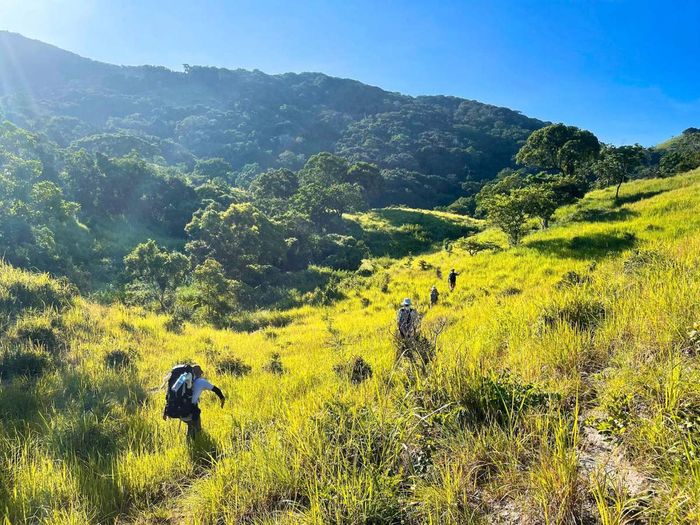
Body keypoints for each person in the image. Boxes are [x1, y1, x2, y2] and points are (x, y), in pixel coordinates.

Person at [163, 364, 225, 439]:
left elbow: (170, 394)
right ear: (199, 373)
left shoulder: (183, 381)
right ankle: (192, 443)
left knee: (191, 424)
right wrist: (222, 399)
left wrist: (165, 412)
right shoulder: (201, 382)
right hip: (188, 410)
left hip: (176, 408)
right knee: (196, 428)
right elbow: (216, 390)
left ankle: (191, 440)